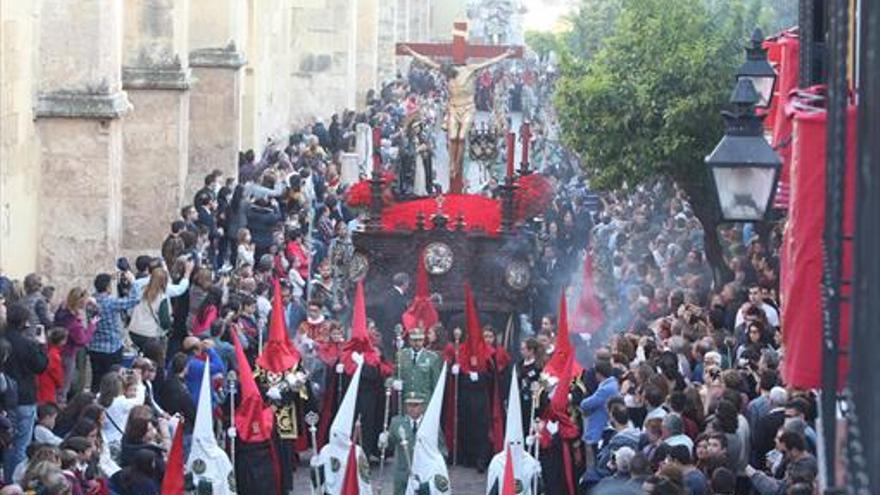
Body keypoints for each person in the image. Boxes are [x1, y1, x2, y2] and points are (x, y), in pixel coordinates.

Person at [3, 303, 49, 482]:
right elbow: (41, 366)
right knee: (21, 445)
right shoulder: (27, 344)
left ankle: (8, 480)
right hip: (24, 398)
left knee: (8, 444)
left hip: (5, 399)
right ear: (25, 323)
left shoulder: (4, 340)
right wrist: (41, 346)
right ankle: (14, 483)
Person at [88, 272, 138, 391]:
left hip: (95, 347)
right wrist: (133, 282)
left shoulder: (91, 301)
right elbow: (134, 300)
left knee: (96, 380)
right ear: (107, 287)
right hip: (111, 348)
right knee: (113, 381)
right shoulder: (111, 302)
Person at [52, 288, 98, 404]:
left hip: (57, 350)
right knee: (64, 386)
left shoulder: (62, 311)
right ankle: (60, 407)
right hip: (68, 354)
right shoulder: (74, 323)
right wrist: (91, 326)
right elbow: (82, 340)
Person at [580, 360, 619, 458]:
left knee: (598, 458)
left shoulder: (605, 389)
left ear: (599, 374)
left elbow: (586, 404)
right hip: (603, 425)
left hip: (600, 427)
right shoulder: (612, 384)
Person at [395, 327, 442, 401]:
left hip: (424, 400)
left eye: (420, 340)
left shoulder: (433, 358)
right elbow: (395, 375)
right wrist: (395, 382)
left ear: (423, 340)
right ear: (409, 341)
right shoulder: (401, 356)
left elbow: (436, 383)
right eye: (414, 340)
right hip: (406, 399)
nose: (417, 343)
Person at [37, 327, 67, 406]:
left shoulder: (47, 350)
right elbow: (56, 373)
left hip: (42, 382)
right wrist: (60, 383)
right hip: (48, 384)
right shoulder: (54, 355)